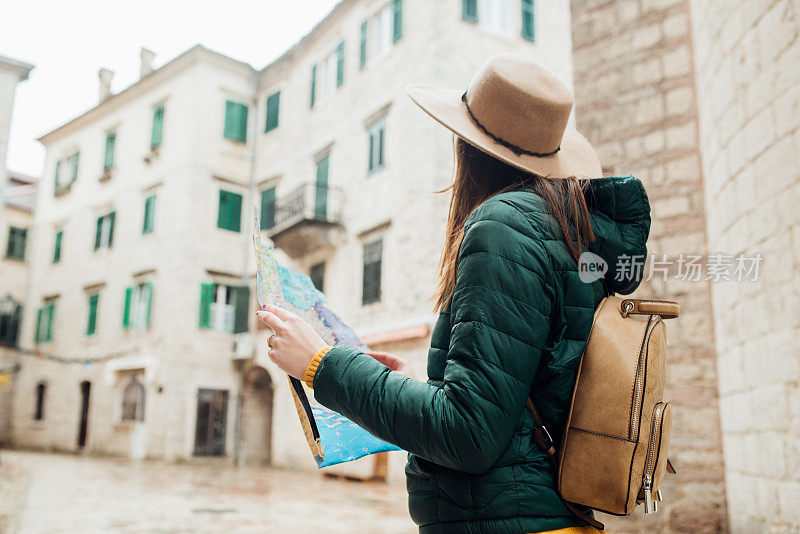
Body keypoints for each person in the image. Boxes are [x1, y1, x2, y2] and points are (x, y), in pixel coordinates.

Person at [257, 55, 650, 534]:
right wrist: (424, 383)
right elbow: (517, 403)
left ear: (470, 147)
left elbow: (468, 435)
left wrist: (322, 364)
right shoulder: (565, 234)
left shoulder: (504, 228)